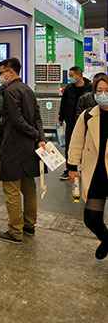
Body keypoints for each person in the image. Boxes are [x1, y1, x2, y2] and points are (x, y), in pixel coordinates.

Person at [0, 56, 45, 243]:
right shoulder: (28, 89)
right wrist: (39, 137)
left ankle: (15, 231)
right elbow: (38, 116)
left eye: (2, 72)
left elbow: (16, 120)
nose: (1, 76)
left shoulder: (10, 91)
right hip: (29, 148)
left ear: (10, 71)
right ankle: (30, 225)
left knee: (12, 189)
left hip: (13, 146)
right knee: (29, 187)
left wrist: (33, 133)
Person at [68, 72, 108, 259]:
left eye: (107, 90)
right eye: (99, 90)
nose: (103, 94)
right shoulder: (87, 116)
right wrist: (72, 167)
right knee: (91, 218)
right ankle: (106, 239)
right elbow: (76, 143)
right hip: (96, 172)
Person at [60, 67, 92, 178]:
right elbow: (63, 103)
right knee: (70, 145)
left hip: (86, 122)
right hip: (71, 121)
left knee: (86, 145)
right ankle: (69, 169)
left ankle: (85, 168)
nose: (70, 78)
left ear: (79, 75)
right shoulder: (68, 88)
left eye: (71, 75)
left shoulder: (90, 88)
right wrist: (61, 117)